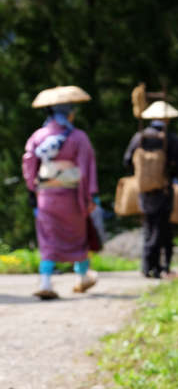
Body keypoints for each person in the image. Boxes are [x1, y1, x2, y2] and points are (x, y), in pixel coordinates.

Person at [22, 85, 99, 300]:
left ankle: (46, 281)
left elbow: (29, 163)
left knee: (47, 238)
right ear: (70, 113)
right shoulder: (78, 137)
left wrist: (33, 188)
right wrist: (90, 195)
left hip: (46, 195)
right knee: (78, 236)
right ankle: (82, 277)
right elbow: (87, 167)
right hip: (72, 197)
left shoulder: (38, 136)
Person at [123, 101, 178, 278]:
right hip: (164, 189)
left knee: (148, 226)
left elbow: (126, 161)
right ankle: (159, 267)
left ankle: (146, 265)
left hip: (144, 190)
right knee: (162, 227)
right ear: (167, 118)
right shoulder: (170, 138)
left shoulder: (139, 137)